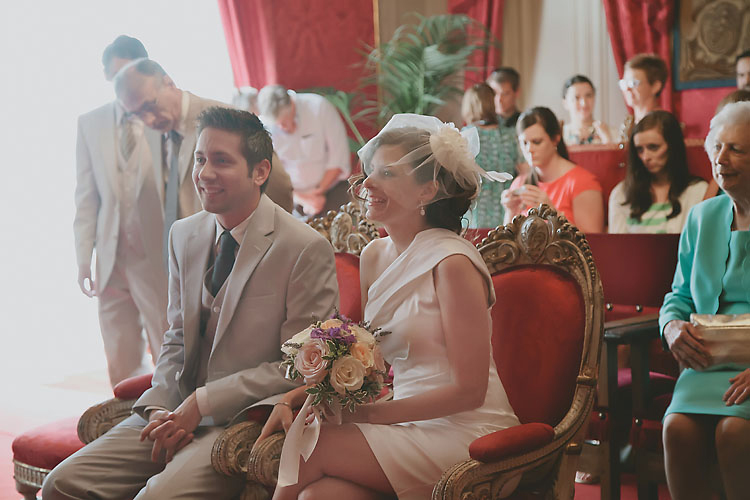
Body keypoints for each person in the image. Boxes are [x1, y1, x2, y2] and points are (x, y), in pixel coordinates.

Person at [42, 107, 339, 500]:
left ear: (260, 171)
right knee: (61, 484)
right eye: (200, 159)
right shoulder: (184, 234)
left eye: (221, 161)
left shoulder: (304, 248)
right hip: (171, 408)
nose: (204, 173)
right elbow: (176, 336)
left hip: (236, 422)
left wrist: (204, 402)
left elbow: (298, 367)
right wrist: (160, 407)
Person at [255, 114, 519, 500]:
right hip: (406, 422)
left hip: (469, 432)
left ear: (427, 192)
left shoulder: (453, 264)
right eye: (369, 171)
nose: (367, 183)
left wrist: (364, 416)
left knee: (318, 443)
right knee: (320, 496)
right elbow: (370, 365)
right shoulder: (374, 256)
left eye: (387, 174)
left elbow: (469, 392)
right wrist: (300, 397)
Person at [114, 59, 293, 262]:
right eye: (136, 114)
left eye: (150, 105)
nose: (148, 120)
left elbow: (278, 186)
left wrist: (261, 250)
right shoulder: (156, 132)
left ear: (169, 83)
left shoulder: (226, 121)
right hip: (191, 261)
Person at [659, 101, 750, 500]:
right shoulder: (701, 217)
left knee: (735, 432)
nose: (721, 159)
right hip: (705, 364)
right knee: (675, 428)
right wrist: (671, 326)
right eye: (716, 147)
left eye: (737, 149)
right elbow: (678, 296)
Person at [73, 35, 169, 388]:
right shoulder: (90, 123)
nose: (123, 84)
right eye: (116, 76)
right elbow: (86, 196)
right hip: (111, 258)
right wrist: (85, 256)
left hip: (156, 257)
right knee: (119, 351)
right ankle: (123, 422)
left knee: (166, 345)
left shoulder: (162, 117)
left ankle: (169, 418)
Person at [502, 107, 604, 233]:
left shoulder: (582, 182)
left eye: (537, 142)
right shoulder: (520, 183)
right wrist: (510, 211)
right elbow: (506, 243)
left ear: (555, 138)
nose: (529, 149)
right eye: (524, 143)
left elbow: (593, 241)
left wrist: (553, 214)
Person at [258, 85, 351, 217]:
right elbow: (271, 175)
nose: (284, 128)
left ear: (291, 103)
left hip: (331, 188)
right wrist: (303, 199)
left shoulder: (319, 107)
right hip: (292, 196)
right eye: (278, 125)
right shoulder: (264, 126)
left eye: (285, 121)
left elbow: (338, 158)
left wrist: (317, 193)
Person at [608, 111, 707, 233]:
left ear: (672, 147)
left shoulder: (697, 190)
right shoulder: (621, 194)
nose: (645, 157)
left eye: (653, 147)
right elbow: (617, 247)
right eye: (639, 149)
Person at [461, 82, 521, 228]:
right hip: (506, 211)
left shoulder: (465, 136)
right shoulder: (510, 135)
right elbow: (524, 172)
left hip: (473, 214)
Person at [618, 53, 668, 142]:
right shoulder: (629, 124)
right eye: (624, 83)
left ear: (655, 86)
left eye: (633, 83)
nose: (627, 89)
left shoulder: (662, 124)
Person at [561, 74, 612, 145]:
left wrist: (607, 140)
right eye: (576, 98)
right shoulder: (560, 135)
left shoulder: (611, 133)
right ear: (565, 103)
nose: (584, 103)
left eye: (588, 96)